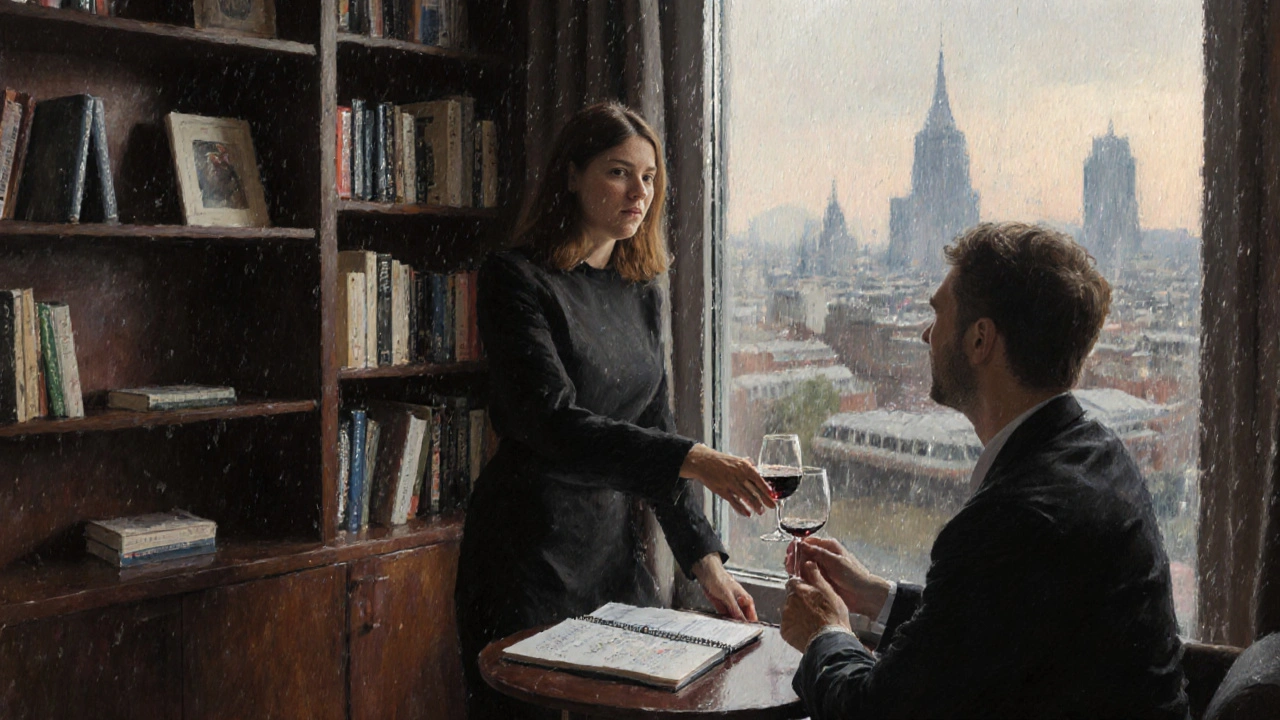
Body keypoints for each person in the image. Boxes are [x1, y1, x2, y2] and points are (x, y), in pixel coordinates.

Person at [780, 222, 1189, 719]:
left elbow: (874, 712)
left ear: (980, 341)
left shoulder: (1013, 518)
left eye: (937, 314)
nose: (925, 333)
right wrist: (875, 596)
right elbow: (988, 628)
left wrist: (824, 631)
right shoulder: (1099, 452)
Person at [455, 102, 774, 719]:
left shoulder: (640, 293)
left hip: (614, 561)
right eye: (619, 172)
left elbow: (653, 431)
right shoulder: (514, 279)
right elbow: (552, 422)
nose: (640, 192)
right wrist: (694, 459)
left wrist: (705, 563)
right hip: (524, 558)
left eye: (650, 177)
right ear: (571, 176)